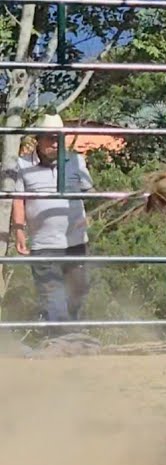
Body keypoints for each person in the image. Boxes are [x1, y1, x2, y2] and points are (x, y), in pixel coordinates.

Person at [11, 113, 95, 325]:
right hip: (44, 245)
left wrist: (93, 213)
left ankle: (71, 335)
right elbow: (18, 199)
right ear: (38, 139)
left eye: (59, 138)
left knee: (77, 293)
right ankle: (60, 336)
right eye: (50, 138)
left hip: (76, 242)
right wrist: (19, 230)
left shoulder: (77, 161)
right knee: (53, 298)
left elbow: (91, 193)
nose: (56, 143)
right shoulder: (22, 165)